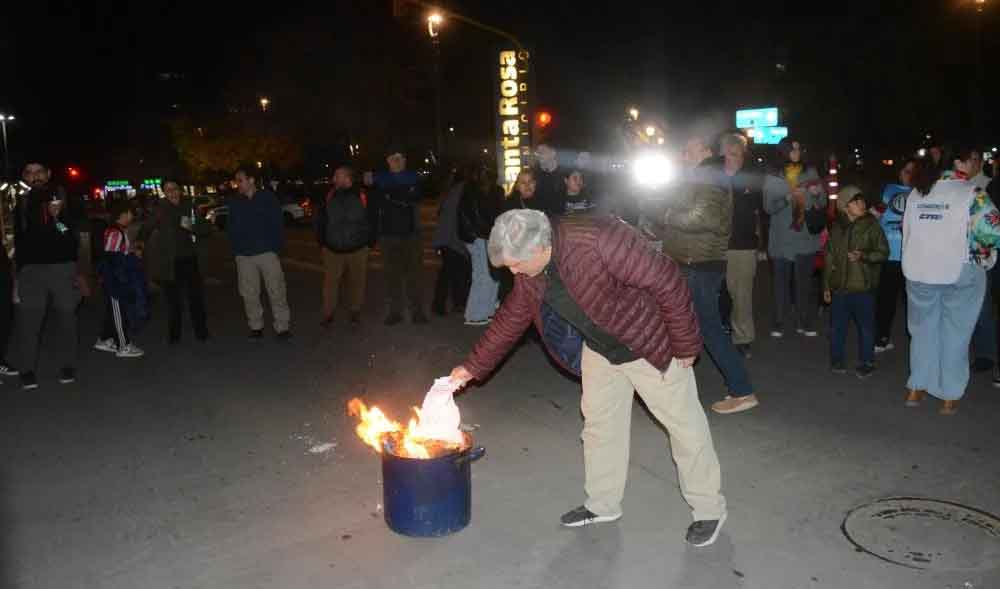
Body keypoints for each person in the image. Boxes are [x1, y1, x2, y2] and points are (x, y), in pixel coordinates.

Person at [448, 209, 727, 547]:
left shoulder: (596, 238)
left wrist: (684, 343)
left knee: (684, 425)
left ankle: (709, 508)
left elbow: (666, 278)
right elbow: (512, 317)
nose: (514, 273)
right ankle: (603, 504)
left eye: (515, 265)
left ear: (539, 249)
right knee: (599, 426)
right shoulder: (531, 270)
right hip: (598, 347)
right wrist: (472, 367)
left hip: (647, 343)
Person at [902, 151, 1000, 415]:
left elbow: (907, 231)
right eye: (972, 160)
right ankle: (949, 394)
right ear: (959, 163)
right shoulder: (972, 193)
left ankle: (917, 386)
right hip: (958, 271)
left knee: (923, 330)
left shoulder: (918, 192)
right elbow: (991, 230)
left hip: (919, 270)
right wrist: (985, 258)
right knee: (955, 332)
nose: (975, 165)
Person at [656, 170, 760, 415]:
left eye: (692, 149)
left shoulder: (710, 183)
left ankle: (742, 390)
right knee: (684, 324)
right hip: (694, 264)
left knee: (708, 328)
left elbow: (705, 220)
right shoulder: (700, 182)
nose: (685, 154)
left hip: (699, 266)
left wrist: (669, 215)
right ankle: (673, 387)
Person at [13, 161, 87, 389]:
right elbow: (13, 237)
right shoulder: (16, 200)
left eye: (39, 172)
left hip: (61, 267)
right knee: (29, 322)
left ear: (48, 174)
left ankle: (68, 365)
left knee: (67, 317)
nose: (34, 176)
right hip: (30, 269)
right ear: (24, 176)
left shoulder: (62, 194)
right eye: (29, 172)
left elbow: (72, 232)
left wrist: (59, 219)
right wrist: (16, 274)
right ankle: (26, 369)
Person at [763, 137, 828, 338]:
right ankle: (779, 321)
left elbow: (822, 203)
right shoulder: (773, 176)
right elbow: (768, 207)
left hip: (805, 237)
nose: (797, 153)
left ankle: (804, 321)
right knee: (780, 283)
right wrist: (786, 198)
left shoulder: (811, 172)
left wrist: (817, 194)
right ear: (783, 152)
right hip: (781, 238)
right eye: (792, 149)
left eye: (799, 149)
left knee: (804, 283)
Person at [822, 188, 889, 378]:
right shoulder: (836, 227)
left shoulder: (872, 225)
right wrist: (826, 286)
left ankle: (867, 361)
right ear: (845, 206)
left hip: (863, 288)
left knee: (866, 327)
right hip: (840, 288)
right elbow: (829, 257)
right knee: (837, 327)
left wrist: (864, 256)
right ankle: (837, 359)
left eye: (862, 200)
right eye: (856, 201)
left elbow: (883, 252)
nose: (862, 204)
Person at [139, 180, 211, 344]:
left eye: (175, 189)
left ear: (180, 189)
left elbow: (205, 228)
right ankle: (174, 335)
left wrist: (192, 225)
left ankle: (201, 332)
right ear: (164, 192)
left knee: (195, 298)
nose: (172, 193)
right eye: (168, 190)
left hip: (190, 259)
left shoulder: (190, 206)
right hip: (170, 262)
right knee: (173, 301)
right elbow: (146, 228)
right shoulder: (160, 210)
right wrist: (139, 243)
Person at [714, 133, 763, 358]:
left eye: (737, 154)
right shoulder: (711, 178)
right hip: (713, 244)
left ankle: (742, 338)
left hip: (741, 246)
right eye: (729, 153)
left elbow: (759, 210)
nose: (733, 158)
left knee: (741, 294)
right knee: (713, 291)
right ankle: (716, 331)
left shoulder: (751, 179)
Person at [367, 147, 428, 325]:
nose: (398, 161)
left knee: (414, 275)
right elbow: (373, 206)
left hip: (411, 234)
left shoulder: (411, 178)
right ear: (387, 160)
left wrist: (385, 188)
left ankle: (417, 311)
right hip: (387, 235)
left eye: (401, 158)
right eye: (394, 158)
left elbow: (415, 195)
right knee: (391, 276)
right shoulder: (380, 180)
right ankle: (395, 312)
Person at [229, 166, 291, 340]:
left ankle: (282, 326)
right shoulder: (235, 202)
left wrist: (275, 249)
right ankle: (256, 326)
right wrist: (237, 251)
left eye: (240, 180)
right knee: (249, 294)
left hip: (267, 253)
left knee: (277, 290)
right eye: (236, 181)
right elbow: (231, 228)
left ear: (251, 180)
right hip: (244, 256)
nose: (237, 184)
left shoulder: (267, 198)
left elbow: (278, 224)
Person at [314, 166, 371, 326]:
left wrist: (368, 242)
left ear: (347, 178)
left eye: (337, 176)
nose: (333, 179)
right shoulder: (329, 195)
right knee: (330, 283)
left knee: (357, 281)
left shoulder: (361, 195)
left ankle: (355, 311)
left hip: (358, 248)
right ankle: (328, 313)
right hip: (333, 249)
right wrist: (322, 242)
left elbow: (371, 219)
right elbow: (320, 219)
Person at [94, 199, 147, 358]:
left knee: (113, 312)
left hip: (115, 279)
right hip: (115, 281)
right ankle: (123, 346)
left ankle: (104, 339)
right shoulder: (116, 232)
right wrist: (133, 257)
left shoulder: (117, 231)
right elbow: (113, 258)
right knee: (119, 313)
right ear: (122, 215)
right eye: (130, 213)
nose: (132, 216)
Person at [874, 158, 916, 353]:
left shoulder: (922, 192)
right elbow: (875, 215)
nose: (909, 175)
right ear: (899, 172)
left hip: (914, 256)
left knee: (914, 302)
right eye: (906, 171)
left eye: (913, 171)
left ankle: (917, 340)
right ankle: (881, 337)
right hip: (889, 254)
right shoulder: (887, 189)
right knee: (886, 299)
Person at [458, 166, 501, 326]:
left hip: (478, 237)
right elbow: (481, 217)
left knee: (488, 275)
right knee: (484, 275)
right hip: (479, 237)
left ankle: (485, 311)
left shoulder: (472, 190)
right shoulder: (479, 192)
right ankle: (476, 314)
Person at [431, 169, 471, 316]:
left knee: (449, 272)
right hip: (452, 238)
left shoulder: (449, 191)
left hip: (445, 238)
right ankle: (444, 304)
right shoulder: (462, 191)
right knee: (454, 272)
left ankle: (448, 303)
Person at [532, 144, 568, 216]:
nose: (539, 155)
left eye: (543, 151)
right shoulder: (533, 174)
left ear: (553, 153)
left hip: (562, 218)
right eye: (537, 152)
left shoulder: (565, 173)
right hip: (540, 218)